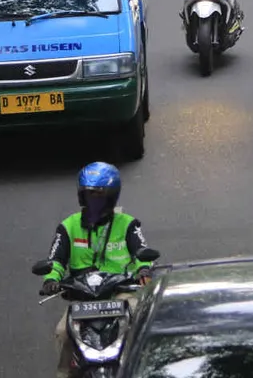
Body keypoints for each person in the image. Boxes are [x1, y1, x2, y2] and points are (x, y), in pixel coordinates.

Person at [39, 162, 156, 378]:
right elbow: (55, 260)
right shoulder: (68, 226)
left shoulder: (129, 224)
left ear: (112, 197)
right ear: (81, 197)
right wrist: (51, 279)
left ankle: (144, 370)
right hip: (84, 297)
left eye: (100, 196)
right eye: (90, 195)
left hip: (121, 293)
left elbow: (142, 252)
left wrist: (144, 271)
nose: (94, 201)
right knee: (63, 333)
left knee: (142, 327)